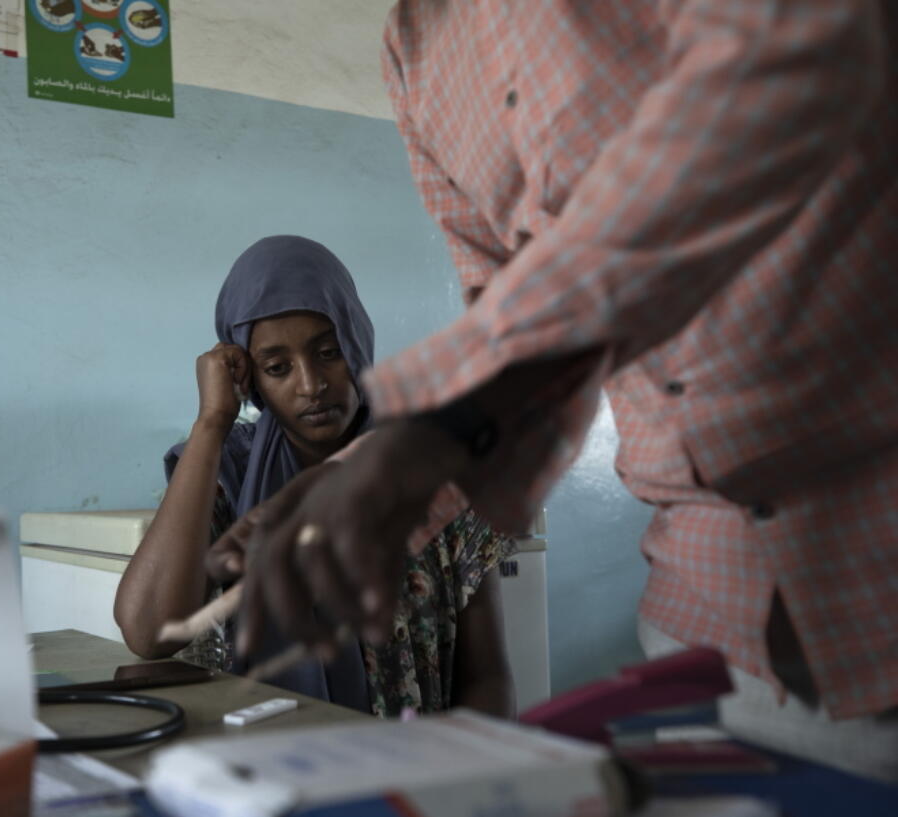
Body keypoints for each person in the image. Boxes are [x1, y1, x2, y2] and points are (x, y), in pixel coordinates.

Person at [216, 1, 898, 782]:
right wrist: (368, 478)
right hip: (711, 626)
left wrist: (437, 425)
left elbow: (777, 75)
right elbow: (521, 344)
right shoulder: (415, 57)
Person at [113, 235, 516, 719]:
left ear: (356, 339)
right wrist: (211, 422)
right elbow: (149, 632)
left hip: (414, 768)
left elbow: (487, 675)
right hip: (270, 769)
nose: (311, 384)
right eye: (277, 367)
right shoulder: (230, 475)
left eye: (328, 352)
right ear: (250, 378)